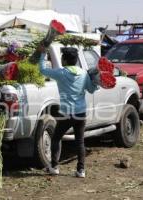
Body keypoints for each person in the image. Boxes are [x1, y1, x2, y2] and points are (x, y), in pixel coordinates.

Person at [38, 46, 98, 178]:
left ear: (64, 60)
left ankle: (54, 167)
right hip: (81, 113)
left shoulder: (61, 73)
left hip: (66, 113)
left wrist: (43, 53)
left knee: (56, 138)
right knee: (80, 142)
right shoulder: (83, 74)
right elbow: (92, 90)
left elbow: (42, 69)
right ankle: (81, 170)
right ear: (76, 60)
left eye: (62, 58)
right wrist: (96, 81)